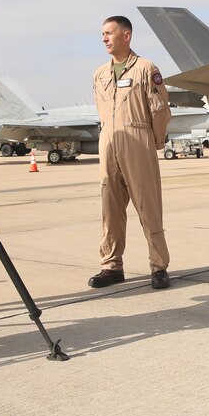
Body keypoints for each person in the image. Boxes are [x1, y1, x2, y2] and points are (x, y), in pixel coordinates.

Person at [90, 15, 171, 290]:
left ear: (126, 35)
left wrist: (154, 142)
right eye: (102, 33)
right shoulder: (99, 74)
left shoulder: (146, 69)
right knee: (109, 207)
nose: (104, 38)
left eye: (109, 33)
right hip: (108, 141)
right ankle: (111, 266)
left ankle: (159, 266)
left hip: (137, 139)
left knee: (148, 206)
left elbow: (160, 110)